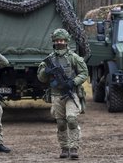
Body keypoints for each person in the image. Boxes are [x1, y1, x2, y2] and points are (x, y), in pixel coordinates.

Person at [37, 28, 88, 159]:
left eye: (62, 40)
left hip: (71, 93)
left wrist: (73, 82)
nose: (60, 42)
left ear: (67, 41)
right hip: (56, 94)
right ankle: (64, 147)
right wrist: (45, 72)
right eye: (58, 40)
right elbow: (41, 78)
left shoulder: (74, 57)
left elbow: (84, 73)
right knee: (60, 123)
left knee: (71, 119)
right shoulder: (49, 59)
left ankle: (74, 147)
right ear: (54, 42)